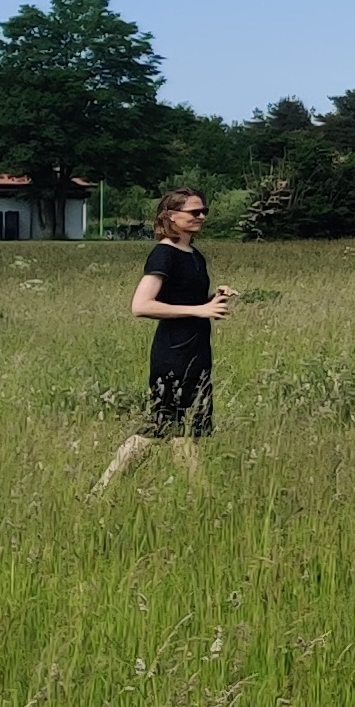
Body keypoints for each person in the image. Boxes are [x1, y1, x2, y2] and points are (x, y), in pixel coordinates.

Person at [94, 185, 234, 492]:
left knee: (186, 431)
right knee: (160, 427)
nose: (201, 217)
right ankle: (102, 491)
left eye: (204, 211)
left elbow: (189, 303)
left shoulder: (194, 255)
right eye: (193, 212)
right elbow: (141, 305)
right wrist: (201, 309)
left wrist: (214, 299)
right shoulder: (163, 254)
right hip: (174, 352)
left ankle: (105, 492)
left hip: (197, 351)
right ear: (170, 216)